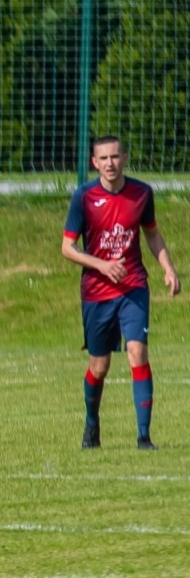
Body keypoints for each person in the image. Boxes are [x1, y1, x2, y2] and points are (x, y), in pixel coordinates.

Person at [62, 135, 180, 450]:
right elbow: (67, 248)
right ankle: (91, 423)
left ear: (125, 158)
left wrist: (168, 268)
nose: (110, 164)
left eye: (115, 157)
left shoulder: (141, 193)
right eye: (103, 159)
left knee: (138, 351)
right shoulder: (83, 196)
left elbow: (152, 234)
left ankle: (144, 437)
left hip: (133, 287)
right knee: (99, 366)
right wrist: (101, 265)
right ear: (94, 163)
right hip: (96, 292)